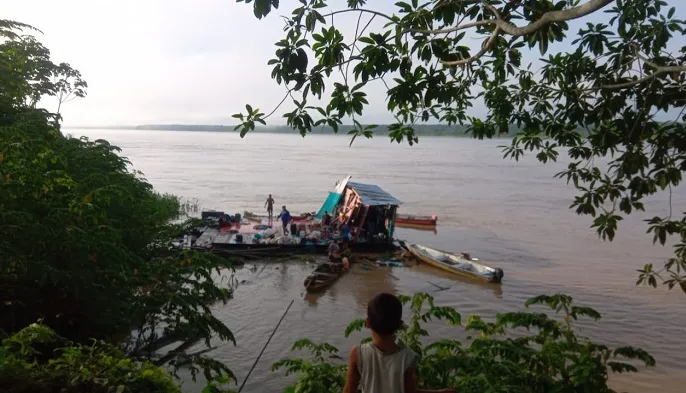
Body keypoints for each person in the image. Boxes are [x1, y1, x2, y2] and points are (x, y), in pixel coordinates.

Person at [342, 293, 455, 393]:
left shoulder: (358, 353)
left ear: (367, 323)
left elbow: (348, 391)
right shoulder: (408, 357)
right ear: (400, 325)